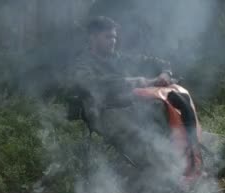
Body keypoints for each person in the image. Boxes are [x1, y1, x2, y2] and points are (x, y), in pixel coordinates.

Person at [73, 16, 180, 175]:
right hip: (104, 112)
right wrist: (133, 81)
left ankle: (179, 163)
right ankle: (163, 176)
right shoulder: (82, 63)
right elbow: (91, 83)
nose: (113, 41)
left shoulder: (120, 58)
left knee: (169, 114)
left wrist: (165, 73)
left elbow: (161, 63)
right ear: (93, 37)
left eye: (114, 37)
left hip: (132, 107)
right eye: (108, 37)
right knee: (140, 137)